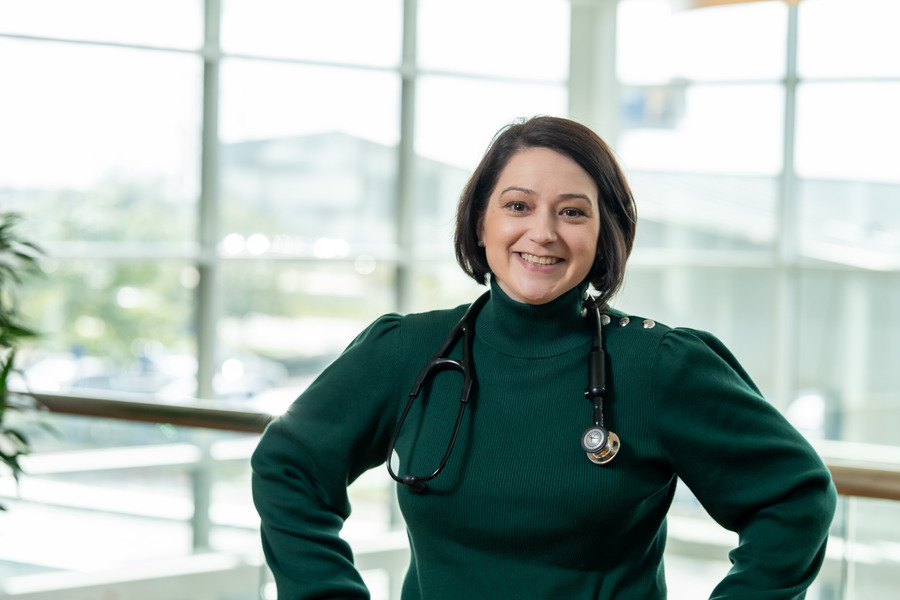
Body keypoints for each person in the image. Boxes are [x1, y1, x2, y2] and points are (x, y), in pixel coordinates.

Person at [251, 116, 837, 599]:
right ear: (481, 223)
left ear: (604, 233)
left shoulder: (661, 365)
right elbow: (289, 465)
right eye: (518, 206)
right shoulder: (409, 351)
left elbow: (794, 498)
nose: (544, 232)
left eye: (573, 212)